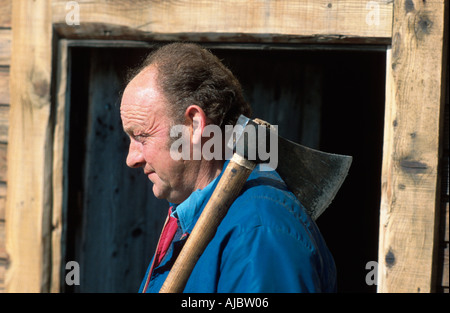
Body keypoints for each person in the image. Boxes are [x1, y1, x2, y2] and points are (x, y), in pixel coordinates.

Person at [120, 42, 336, 293]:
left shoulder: (259, 231)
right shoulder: (184, 222)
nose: (131, 158)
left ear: (193, 124)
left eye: (142, 136)